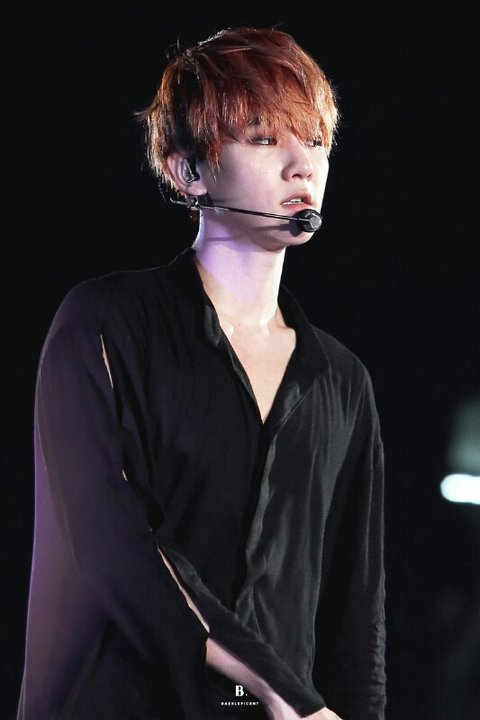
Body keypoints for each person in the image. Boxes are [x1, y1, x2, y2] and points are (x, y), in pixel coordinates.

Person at [17, 25, 386, 720]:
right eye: (265, 138)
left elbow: (353, 617)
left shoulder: (342, 384)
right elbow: (116, 543)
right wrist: (280, 690)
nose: (302, 165)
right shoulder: (106, 323)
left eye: (315, 140)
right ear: (189, 170)